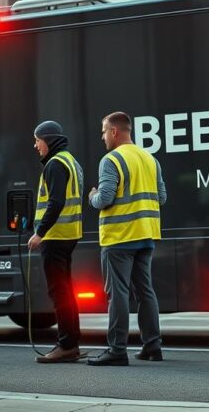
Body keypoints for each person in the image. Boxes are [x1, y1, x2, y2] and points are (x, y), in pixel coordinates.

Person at [86, 111, 166, 366]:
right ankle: (152, 346)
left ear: (114, 131)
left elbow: (105, 198)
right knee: (145, 291)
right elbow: (162, 197)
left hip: (119, 236)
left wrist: (92, 196)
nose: (102, 137)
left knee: (118, 293)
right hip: (146, 234)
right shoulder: (150, 158)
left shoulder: (111, 159)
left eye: (103, 131)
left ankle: (117, 350)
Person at [27, 120, 85, 363]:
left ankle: (67, 345)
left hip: (55, 237)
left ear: (48, 140)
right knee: (66, 291)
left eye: (37, 140)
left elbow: (56, 202)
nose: (35, 145)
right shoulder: (71, 161)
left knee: (58, 292)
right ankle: (71, 342)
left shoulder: (55, 164)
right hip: (68, 235)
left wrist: (39, 233)